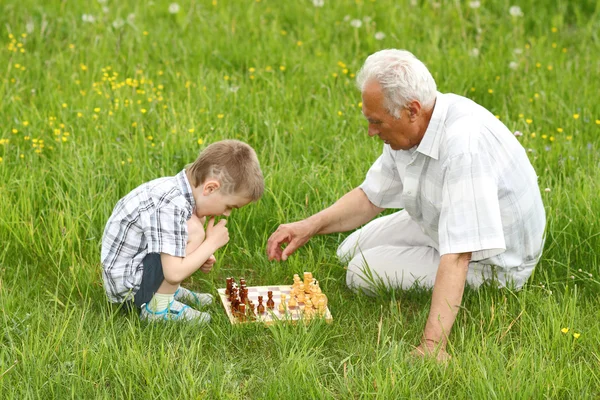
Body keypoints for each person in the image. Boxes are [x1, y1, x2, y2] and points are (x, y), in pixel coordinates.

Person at [267, 49, 545, 360]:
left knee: (360, 273)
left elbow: (459, 254)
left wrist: (432, 345)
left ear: (412, 110)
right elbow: (370, 196)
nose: (371, 131)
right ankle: (424, 256)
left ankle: (457, 288)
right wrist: (308, 226)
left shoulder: (463, 148)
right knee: (347, 251)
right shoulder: (412, 126)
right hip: (440, 218)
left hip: (496, 260)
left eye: (377, 122)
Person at [102, 140, 264, 323]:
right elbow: (174, 273)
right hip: (128, 291)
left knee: (196, 222)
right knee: (194, 230)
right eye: (229, 206)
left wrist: (198, 256)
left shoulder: (177, 193)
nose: (226, 213)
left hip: (136, 268)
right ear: (210, 188)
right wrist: (210, 244)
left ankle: (168, 291)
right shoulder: (171, 204)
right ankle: (158, 308)